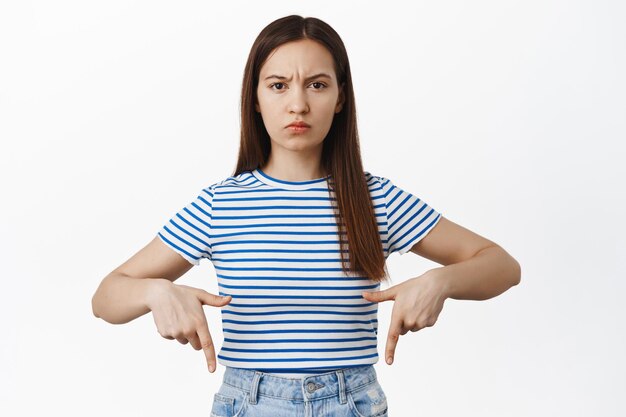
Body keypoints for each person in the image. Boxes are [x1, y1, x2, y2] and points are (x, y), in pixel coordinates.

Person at [92, 14, 521, 417]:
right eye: (278, 86)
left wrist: (440, 282)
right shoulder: (219, 205)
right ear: (255, 99)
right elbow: (106, 297)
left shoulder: (374, 200)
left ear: (339, 98)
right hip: (250, 403)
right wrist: (155, 292)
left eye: (316, 85)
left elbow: (502, 265)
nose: (297, 104)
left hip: (351, 402)